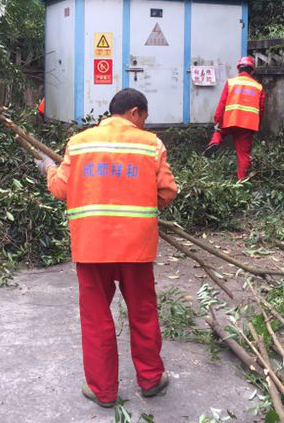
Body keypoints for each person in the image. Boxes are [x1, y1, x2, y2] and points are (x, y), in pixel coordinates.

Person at [35, 88, 177, 408]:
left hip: (91, 248)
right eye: (144, 117)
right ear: (135, 112)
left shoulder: (80, 143)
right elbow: (167, 192)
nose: (144, 123)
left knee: (96, 318)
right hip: (136, 249)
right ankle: (151, 380)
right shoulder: (151, 145)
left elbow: (60, 189)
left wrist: (48, 169)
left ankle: (103, 391)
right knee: (142, 314)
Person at [203, 56, 266, 180]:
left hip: (230, 120)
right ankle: (241, 182)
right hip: (248, 125)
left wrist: (217, 119)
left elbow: (223, 102)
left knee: (219, 131)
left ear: (239, 69)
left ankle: (215, 142)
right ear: (252, 70)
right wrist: (257, 125)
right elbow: (261, 109)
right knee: (243, 155)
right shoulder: (258, 87)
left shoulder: (231, 82)